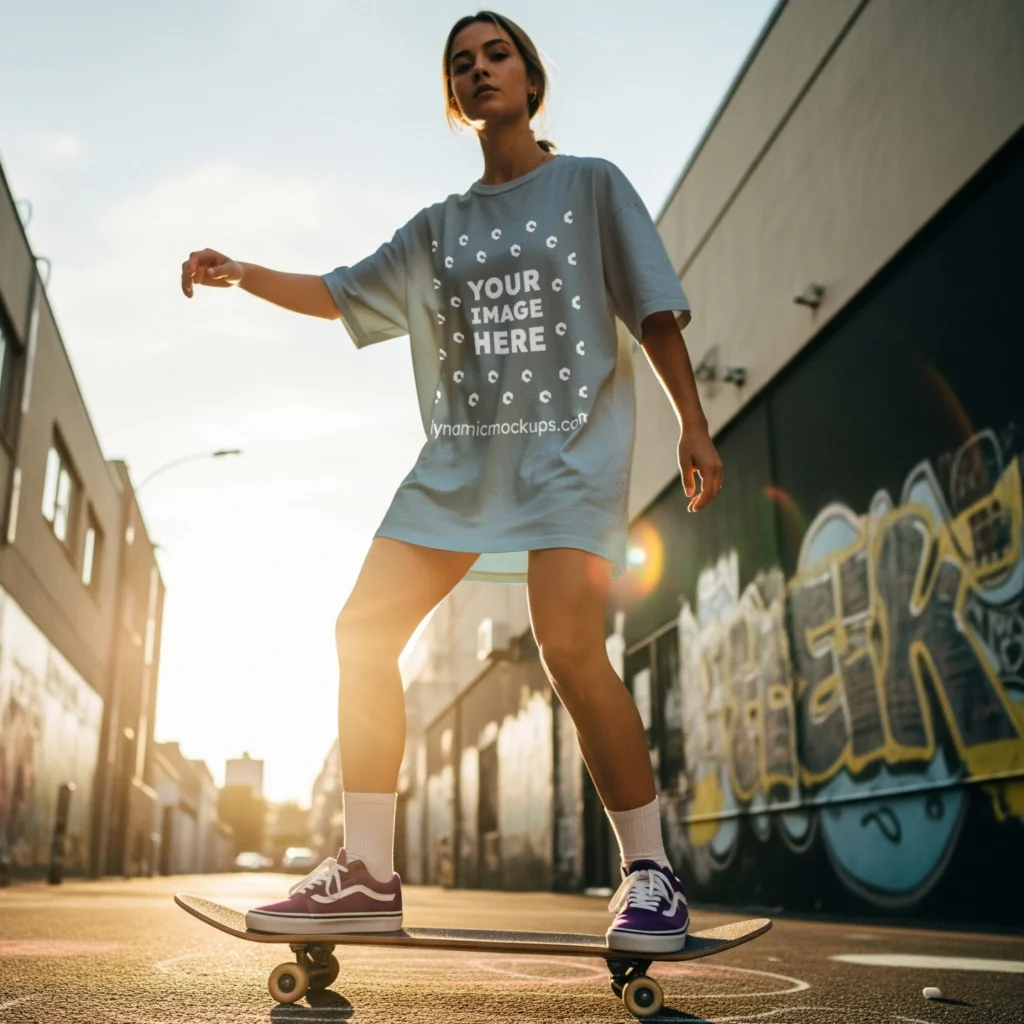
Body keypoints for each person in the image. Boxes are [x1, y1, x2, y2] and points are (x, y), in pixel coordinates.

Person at [180, 10, 722, 955]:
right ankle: (367, 872)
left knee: (567, 646)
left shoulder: (591, 187)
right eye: (461, 65)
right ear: (454, 96)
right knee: (361, 629)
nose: (480, 72)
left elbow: (655, 310)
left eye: (496, 55)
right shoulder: (441, 228)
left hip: (565, 454)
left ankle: (650, 875)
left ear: (530, 77)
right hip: (461, 465)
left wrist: (693, 424)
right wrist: (243, 273)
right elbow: (342, 291)